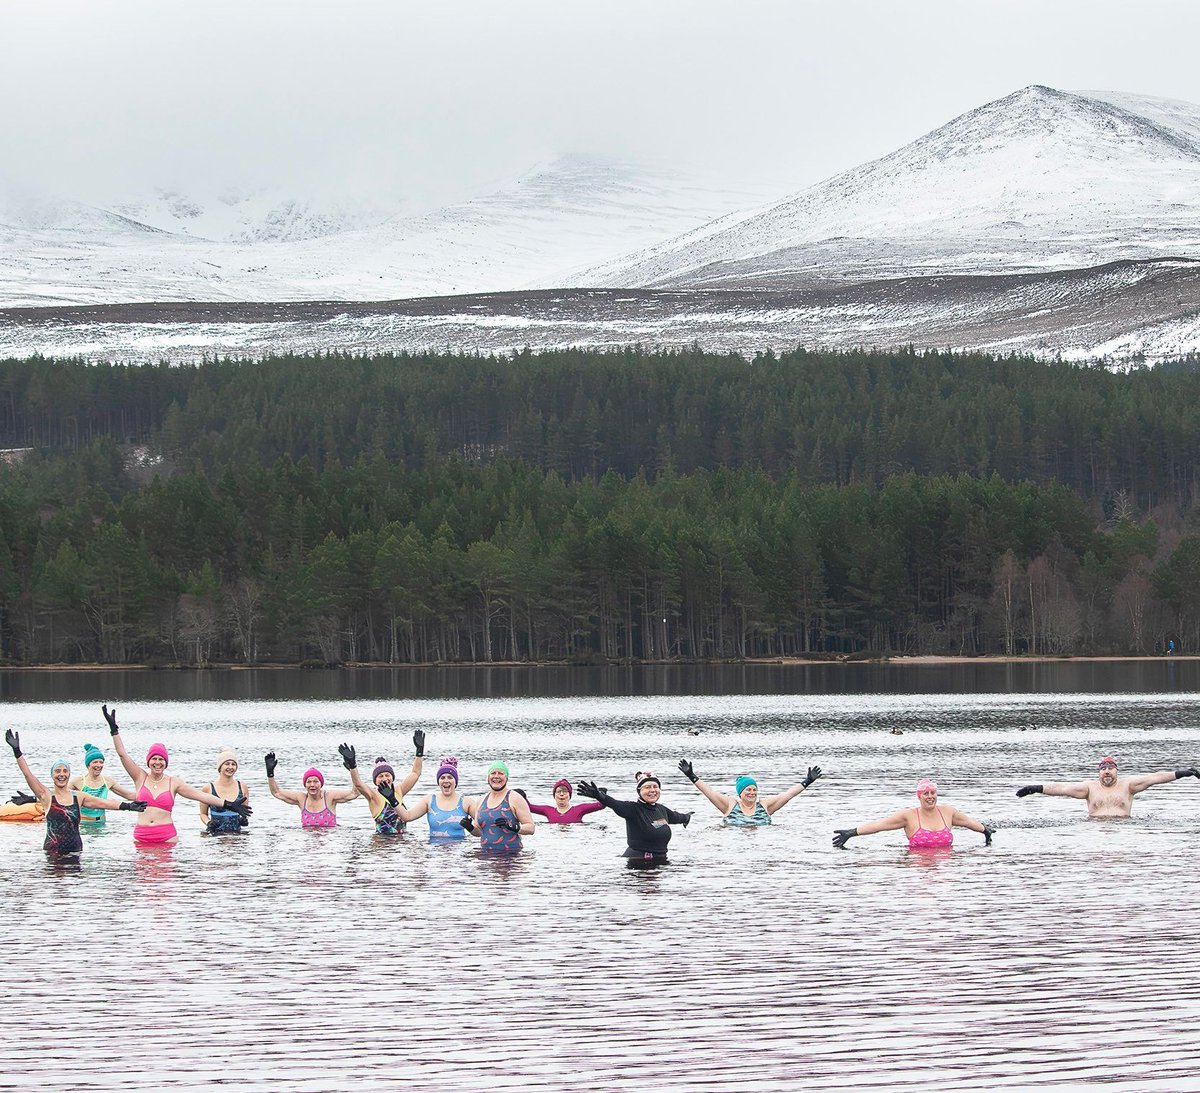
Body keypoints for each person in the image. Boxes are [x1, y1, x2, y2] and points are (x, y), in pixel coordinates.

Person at [104, 705, 250, 846]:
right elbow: (122, 754)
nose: (157, 762)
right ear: (148, 762)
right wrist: (114, 731)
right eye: (154, 759)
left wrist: (228, 804)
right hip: (142, 836)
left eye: (161, 759)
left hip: (166, 836)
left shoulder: (174, 783)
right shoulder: (140, 777)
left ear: (166, 763)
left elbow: (202, 796)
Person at [6, 729, 146, 856]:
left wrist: (129, 806)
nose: (61, 774)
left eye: (65, 771)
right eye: (58, 771)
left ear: (69, 774)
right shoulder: (47, 796)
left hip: (75, 851)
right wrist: (17, 752)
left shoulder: (78, 797)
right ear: (52, 775)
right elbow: (28, 775)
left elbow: (105, 803)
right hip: (53, 852)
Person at [833, 777, 993, 850]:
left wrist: (986, 831)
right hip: (916, 868)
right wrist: (851, 833)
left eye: (933, 793)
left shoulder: (947, 812)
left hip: (945, 870)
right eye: (926, 794)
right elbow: (878, 826)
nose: (930, 797)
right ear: (919, 796)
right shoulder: (908, 816)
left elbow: (969, 822)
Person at [1015, 756, 1200, 818]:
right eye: (1103, 769)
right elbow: (1061, 788)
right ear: (1099, 773)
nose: (1107, 772)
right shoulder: (1089, 788)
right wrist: (1035, 788)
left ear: (1116, 771)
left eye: (1110, 768)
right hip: (1095, 829)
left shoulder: (1129, 786)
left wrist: (1182, 773)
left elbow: (1155, 778)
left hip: (1125, 829)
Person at [576, 771, 692, 864]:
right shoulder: (632, 809)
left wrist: (686, 817)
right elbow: (615, 804)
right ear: (639, 791)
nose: (652, 790)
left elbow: (676, 817)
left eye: (655, 786)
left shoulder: (661, 809)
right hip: (639, 863)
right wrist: (600, 796)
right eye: (647, 787)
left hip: (659, 861)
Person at [677, 759, 822, 825]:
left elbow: (788, 795)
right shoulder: (730, 805)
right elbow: (709, 792)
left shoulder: (765, 805)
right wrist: (691, 776)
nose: (752, 793)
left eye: (754, 789)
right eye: (748, 790)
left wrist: (807, 781)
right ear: (740, 793)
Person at [337, 730, 425, 834]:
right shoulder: (373, 795)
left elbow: (415, 773)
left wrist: (419, 752)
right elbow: (358, 784)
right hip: (381, 844)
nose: (384, 779)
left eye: (387, 775)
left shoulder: (399, 790)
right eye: (380, 776)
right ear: (375, 781)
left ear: (392, 777)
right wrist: (352, 765)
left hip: (400, 843)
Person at [265, 751, 357, 827]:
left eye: (316, 781)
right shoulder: (301, 798)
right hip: (307, 841)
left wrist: (353, 768)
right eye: (309, 782)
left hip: (328, 842)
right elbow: (276, 792)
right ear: (305, 785)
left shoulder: (329, 797)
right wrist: (270, 773)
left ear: (321, 784)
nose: (312, 785)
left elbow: (354, 793)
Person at [459, 761, 534, 851]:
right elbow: (479, 832)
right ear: (488, 778)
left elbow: (531, 828)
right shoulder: (481, 800)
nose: (496, 776)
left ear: (506, 777)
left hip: (511, 855)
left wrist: (512, 827)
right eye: (493, 773)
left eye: (501, 773)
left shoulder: (514, 798)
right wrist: (469, 827)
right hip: (486, 856)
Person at [398, 756, 472, 839]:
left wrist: (471, 828)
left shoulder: (466, 802)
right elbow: (407, 816)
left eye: (450, 777)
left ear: (456, 781)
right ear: (438, 781)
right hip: (435, 849)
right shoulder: (429, 800)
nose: (446, 780)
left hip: (459, 849)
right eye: (442, 777)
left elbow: (482, 824)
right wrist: (392, 800)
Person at [69, 742, 135, 826]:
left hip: (102, 823)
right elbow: (60, 796)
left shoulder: (107, 781)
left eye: (101, 762)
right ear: (88, 765)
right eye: (95, 762)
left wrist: (151, 797)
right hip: (83, 824)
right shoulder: (78, 781)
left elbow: (129, 795)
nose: (99, 765)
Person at [199, 747, 250, 834]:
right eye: (227, 764)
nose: (230, 767)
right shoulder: (208, 788)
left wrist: (244, 820)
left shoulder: (242, 786)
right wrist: (209, 823)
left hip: (237, 835)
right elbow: (203, 814)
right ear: (220, 767)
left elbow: (246, 812)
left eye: (233, 764)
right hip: (216, 835)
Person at [520, 778, 605, 825]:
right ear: (554, 795)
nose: (561, 794)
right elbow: (529, 807)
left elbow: (600, 805)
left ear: (569, 795)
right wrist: (522, 796)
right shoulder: (548, 810)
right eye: (558, 792)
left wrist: (601, 795)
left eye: (565, 791)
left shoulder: (579, 809)